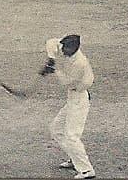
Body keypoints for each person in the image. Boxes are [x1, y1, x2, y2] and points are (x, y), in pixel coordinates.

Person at [41, 34, 96, 179]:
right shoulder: (63, 46)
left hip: (79, 97)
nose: (63, 52)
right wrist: (51, 59)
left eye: (67, 50)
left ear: (75, 49)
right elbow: (50, 42)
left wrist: (54, 71)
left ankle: (87, 170)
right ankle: (75, 158)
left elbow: (68, 83)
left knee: (72, 136)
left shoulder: (80, 63)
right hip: (72, 98)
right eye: (63, 47)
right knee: (56, 129)